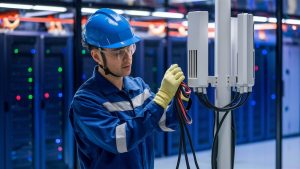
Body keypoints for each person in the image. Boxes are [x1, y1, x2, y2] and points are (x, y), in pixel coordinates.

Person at [69, 8, 186, 169]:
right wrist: (163, 96)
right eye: (118, 52)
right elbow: (121, 141)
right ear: (97, 56)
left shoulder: (138, 87)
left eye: (130, 48)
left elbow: (162, 122)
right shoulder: (86, 101)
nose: (127, 58)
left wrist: (182, 101)